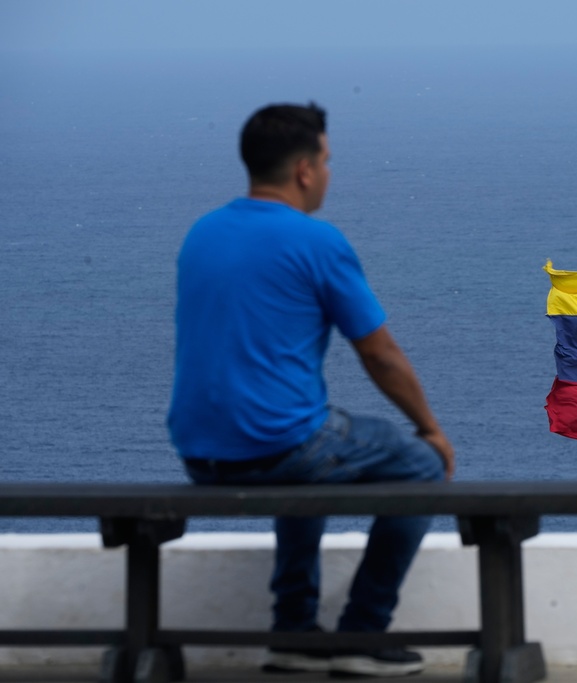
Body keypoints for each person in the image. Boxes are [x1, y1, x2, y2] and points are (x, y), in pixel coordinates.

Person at [167, 102, 455, 678]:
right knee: (419, 466)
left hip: (201, 454)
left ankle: (295, 632)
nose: (328, 172)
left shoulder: (202, 232)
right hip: (281, 446)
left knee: (304, 449)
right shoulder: (316, 242)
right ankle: (361, 636)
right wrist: (430, 429)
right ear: (304, 169)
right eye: (326, 161)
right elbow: (379, 353)